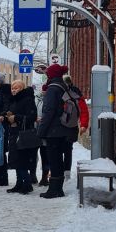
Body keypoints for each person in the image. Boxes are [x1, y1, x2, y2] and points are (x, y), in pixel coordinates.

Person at [37, 63, 71, 198]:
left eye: (47, 73)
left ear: (51, 75)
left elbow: (49, 111)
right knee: (58, 159)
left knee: (54, 159)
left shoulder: (52, 89)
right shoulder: (63, 86)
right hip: (62, 128)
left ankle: (54, 189)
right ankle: (58, 188)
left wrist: (41, 130)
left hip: (53, 130)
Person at [5, 80, 38, 194]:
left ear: (22, 89)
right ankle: (19, 183)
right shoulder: (13, 100)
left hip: (23, 134)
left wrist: (16, 117)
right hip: (14, 133)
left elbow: (32, 116)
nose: (14, 90)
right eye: (12, 88)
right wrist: (7, 116)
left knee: (22, 160)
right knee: (16, 160)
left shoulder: (27, 99)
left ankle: (27, 183)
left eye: (17, 88)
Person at [62, 74, 89, 179]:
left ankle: (66, 172)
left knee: (67, 149)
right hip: (63, 126)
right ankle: (59, 170)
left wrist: (84, 125)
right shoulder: (57, 92)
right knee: (60, 149)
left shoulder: (75, 93)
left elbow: (83, 111)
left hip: (70, 126)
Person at [33, 63, 49, 186]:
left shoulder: (50, 100)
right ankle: (32, 174)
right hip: (34, 130)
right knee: (33, 154)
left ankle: (45, 176)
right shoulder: (36, 99)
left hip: (46, 131)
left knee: (45, 155)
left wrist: (43, 120)